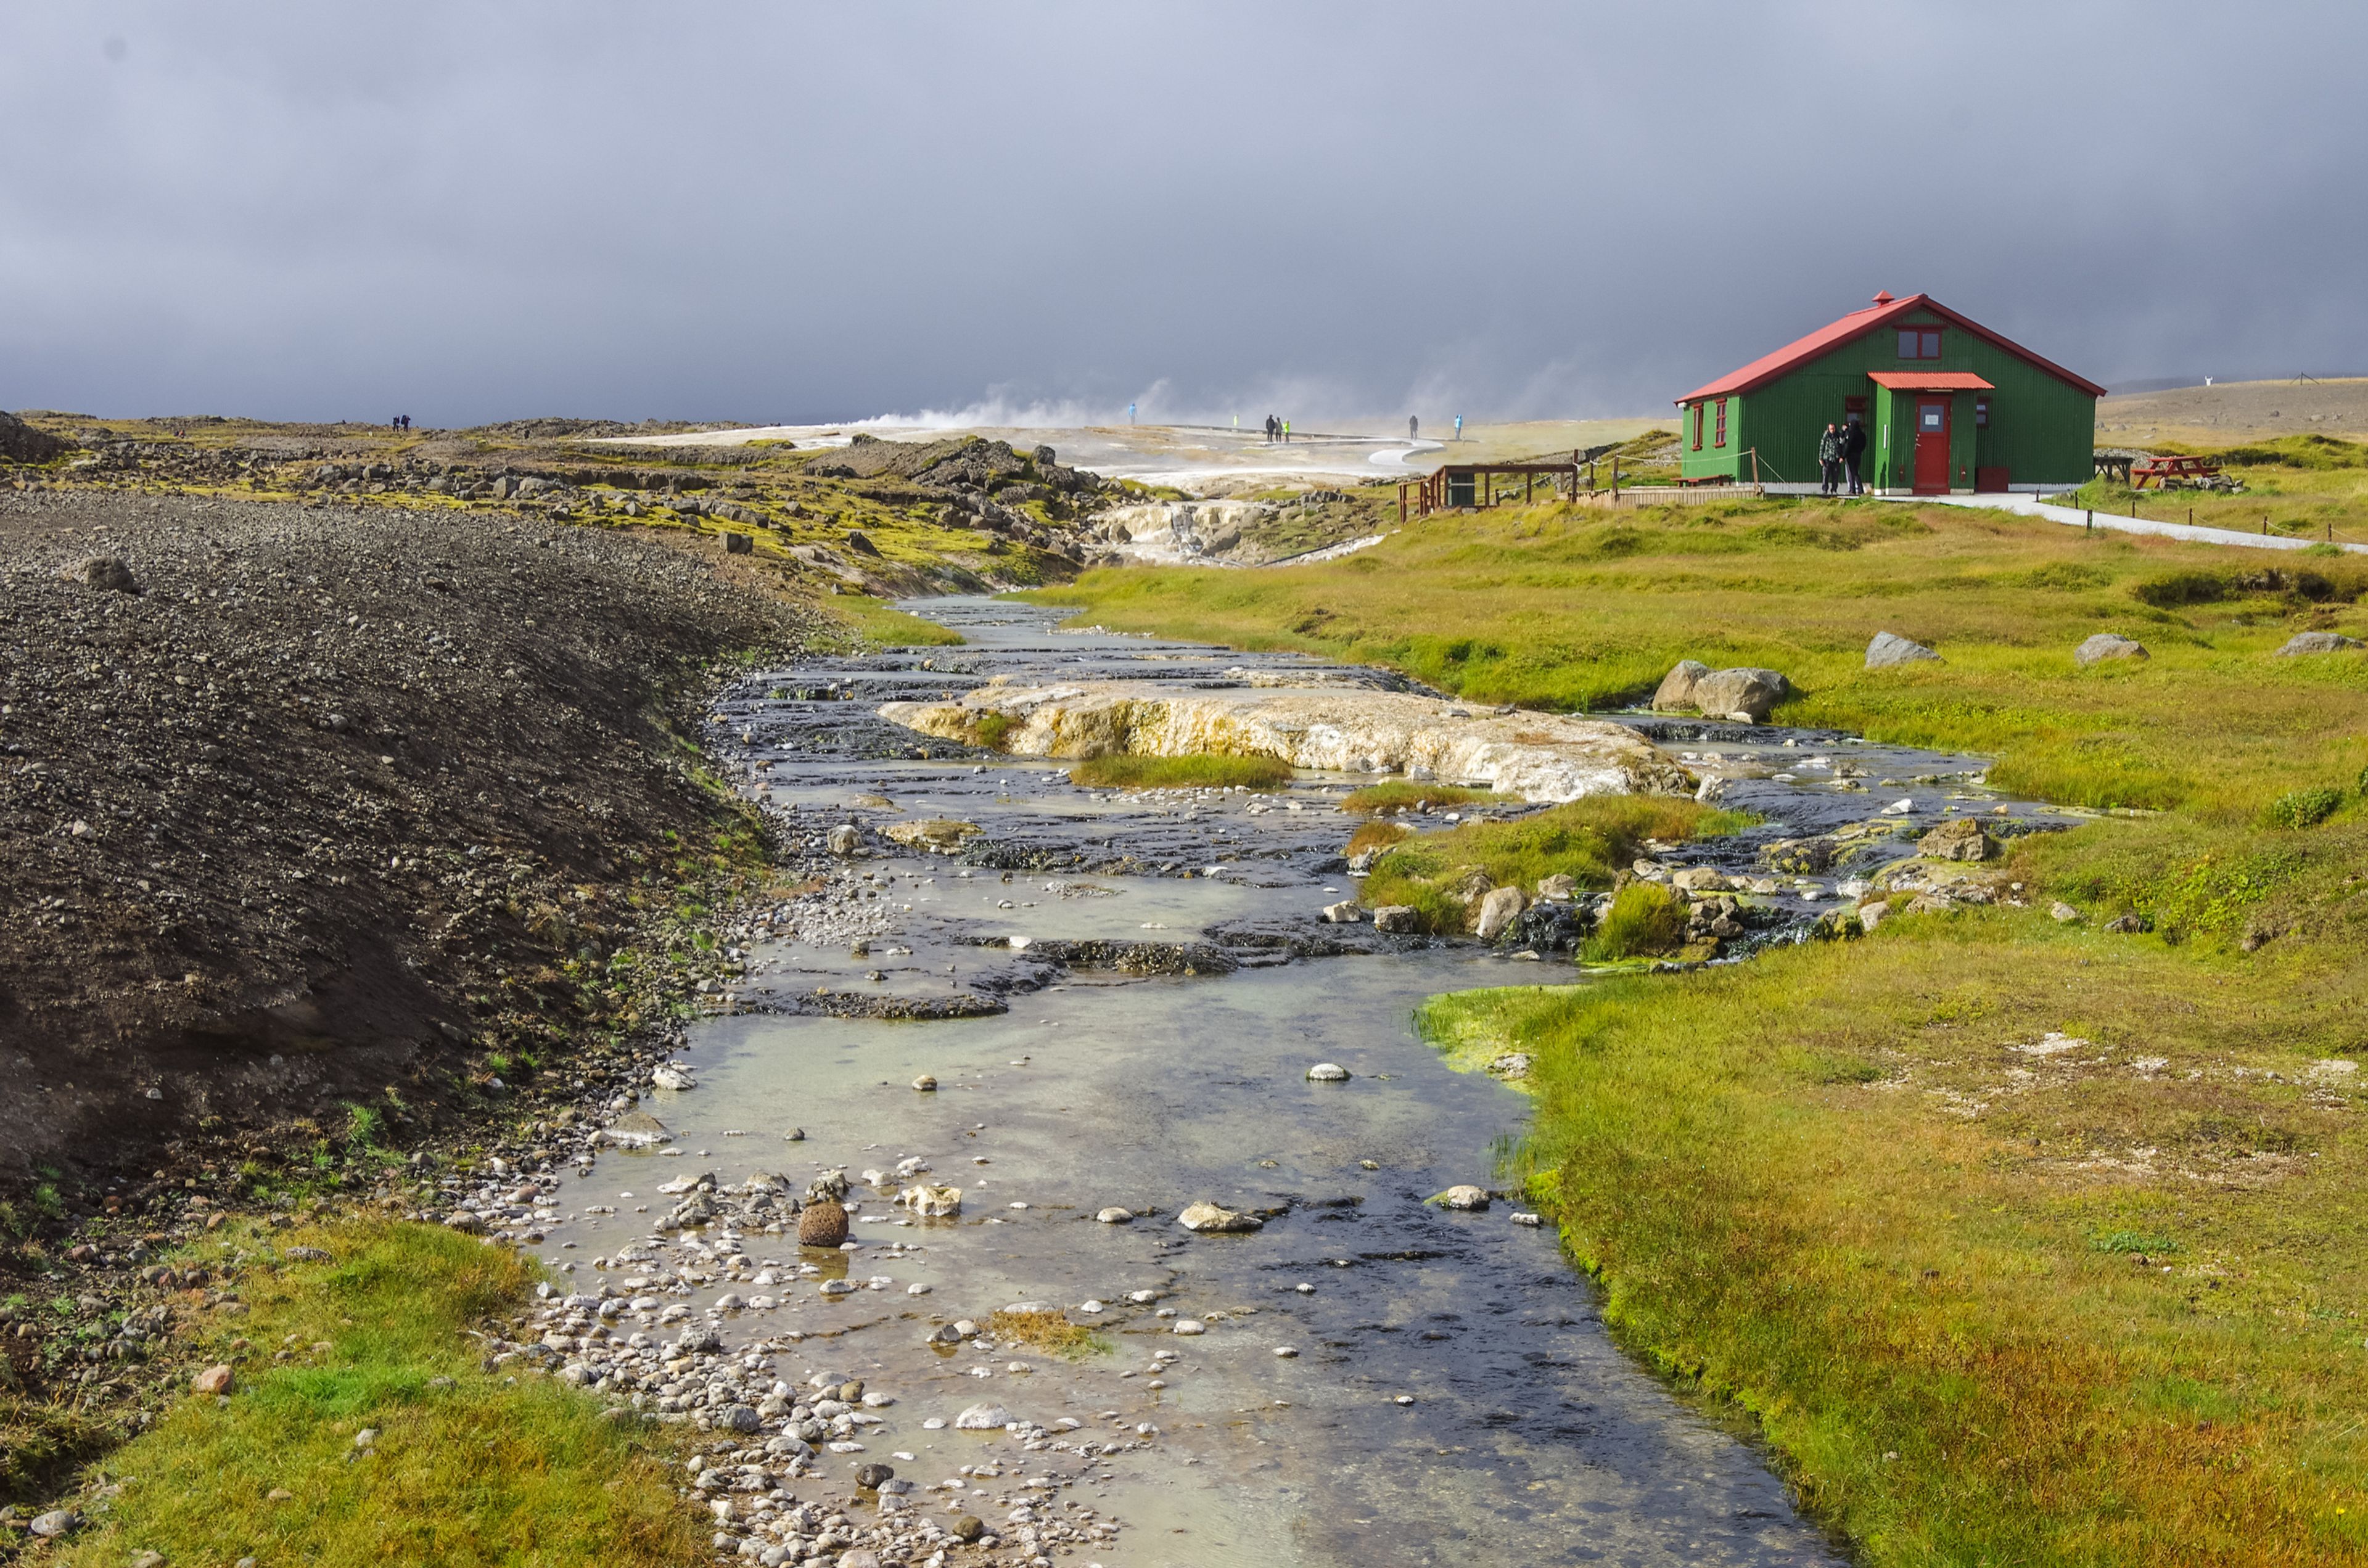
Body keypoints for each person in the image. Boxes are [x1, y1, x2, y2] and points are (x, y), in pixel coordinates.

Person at [1842, 415, 1868, 495]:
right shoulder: (1862, 435)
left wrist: (1843, 456)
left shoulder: (1852, 434)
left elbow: (1848, 445)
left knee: (1851, 473)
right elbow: (1864, 444)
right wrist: (1860, 451)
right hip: (1858, 455)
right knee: (1856, 472)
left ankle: (1852, 490)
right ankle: (1860, 489)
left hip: (1851, 456)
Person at [1817, 422, 1844, 496]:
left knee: (1835, 476)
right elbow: (1822, 448)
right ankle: (1825, 490)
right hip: (1827, 459)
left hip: (1836, 459)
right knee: (1826, 475)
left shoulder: (1838, 436)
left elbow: (1842, 447)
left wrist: (1842, 457)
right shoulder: (1826, 437)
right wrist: (1821, 458)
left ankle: (1834, 490)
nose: (1832, 430)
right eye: (1831, 429)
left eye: (1833, 429)